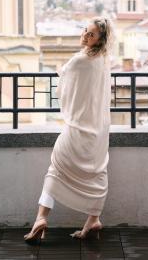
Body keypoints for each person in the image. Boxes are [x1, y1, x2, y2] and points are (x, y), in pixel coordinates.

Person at [24, 16, 116, 242]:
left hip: (76, 130)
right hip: (98, 131)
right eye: (85, 30)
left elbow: (63, 88)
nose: (85, 35)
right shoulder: (104, 60)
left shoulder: (79, 60)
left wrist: (61, 72)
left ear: (100, 39)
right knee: (97, 174)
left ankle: (41, 218)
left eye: (91, 34)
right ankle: (93, 220)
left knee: (56, 170)